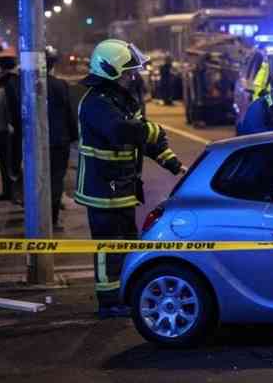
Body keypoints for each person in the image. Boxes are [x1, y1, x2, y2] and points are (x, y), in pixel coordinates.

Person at [76, 39, 184, 318]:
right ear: (110, 71)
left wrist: (171, 163)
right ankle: (108, 302)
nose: (132, 76)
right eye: (127, 72)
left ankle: (123, 293)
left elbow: (144, 141)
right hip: (101, 189)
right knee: (108, 246)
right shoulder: (95, 103)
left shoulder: (121, 99)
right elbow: (121, 132)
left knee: (127, 242)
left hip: (122, 187)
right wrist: (151, 130)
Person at [45, 46, 79, 230]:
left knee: (40, 180)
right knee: (57, 179)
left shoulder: (27, 85)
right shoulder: (60, 85)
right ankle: (53, 218)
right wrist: (73, 136)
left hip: (38, 143)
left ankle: (40, 217)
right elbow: (69, 113)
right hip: (59, 140)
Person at [0, 47, 20, 202]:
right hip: (8, 128)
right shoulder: (14, 80)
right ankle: (8, 191)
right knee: (9, 161)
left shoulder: (3, 82)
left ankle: (12, 192)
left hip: (6, 128)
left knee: (9, 162)